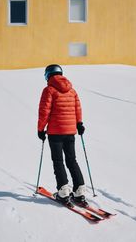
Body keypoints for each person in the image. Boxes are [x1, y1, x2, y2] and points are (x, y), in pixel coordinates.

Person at [37, 64, 87, 206]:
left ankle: (63, 191)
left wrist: (40, 130)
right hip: (70, 131)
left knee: (58, 161)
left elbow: (44, 112)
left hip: (55, 132)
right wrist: (79, 124)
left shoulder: (49, 90)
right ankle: (80, 190)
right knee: (72, 160)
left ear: (48, 75)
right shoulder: (72, 91)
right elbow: (78, 109)